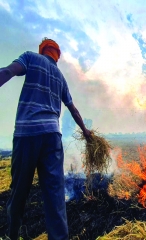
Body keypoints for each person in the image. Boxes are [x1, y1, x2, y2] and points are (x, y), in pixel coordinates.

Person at [0, 38, 91, 240]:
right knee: (55, 197)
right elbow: (73, 109)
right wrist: (86, 131)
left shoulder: (30, 58)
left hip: (27, 136)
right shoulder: (60, 77)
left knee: (19, 193)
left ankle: (12, 235)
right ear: (57, 56)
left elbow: (7, 72)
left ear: (42, 51)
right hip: (52, 138)